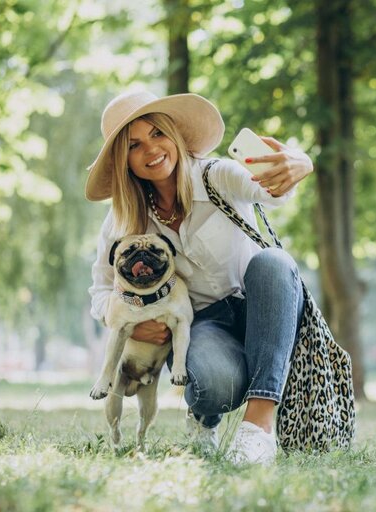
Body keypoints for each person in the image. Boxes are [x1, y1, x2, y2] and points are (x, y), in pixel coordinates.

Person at [86, 90, 313, 465]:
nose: (151, 149)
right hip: (205, 323)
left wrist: (299, 162)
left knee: (274, 262)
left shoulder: (217, 175)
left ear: (174, 134)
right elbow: (101, 290)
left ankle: (258, 430)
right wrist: (131, 321)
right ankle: (204, 419)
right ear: (123, 160)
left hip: (266, 305)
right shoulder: (124, 220)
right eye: (134, 145)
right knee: (211, 386)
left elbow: (272, 191)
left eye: (157, 134)